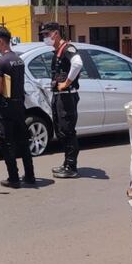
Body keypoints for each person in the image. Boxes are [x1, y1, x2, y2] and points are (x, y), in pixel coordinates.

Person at [0, 26, 35, 188]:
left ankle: (13, 178)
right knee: (23, 141)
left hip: (5, 106)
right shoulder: (18, 59)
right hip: (19, 105)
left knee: (6, 141)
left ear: (1, 41)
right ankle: (30, 175)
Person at [39, 22, 82, 179]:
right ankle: (66, 163)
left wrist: (67, 83)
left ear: (55, 33)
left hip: (67, 96)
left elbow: (77, 63)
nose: (45, 37)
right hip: (59, 96)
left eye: (47, 34)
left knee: (67, 131)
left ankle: (71, 166)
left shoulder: (68, 49)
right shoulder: (58, 51)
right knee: (60, 131)